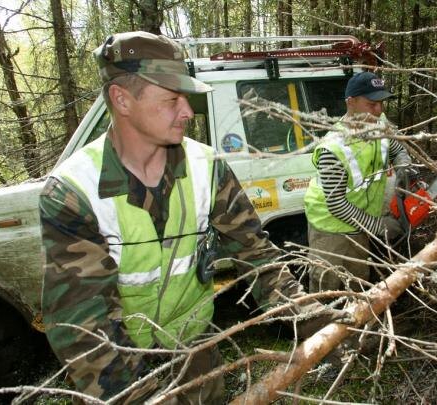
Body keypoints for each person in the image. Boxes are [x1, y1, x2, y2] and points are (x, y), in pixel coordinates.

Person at [40, 31, 339, 403]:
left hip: (196, 356)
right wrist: (136, 396)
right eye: (171, 99)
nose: (187, 110)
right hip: (119, 371)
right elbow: (81, 324)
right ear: (122, 100)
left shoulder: (207, 167)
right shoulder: (73, 191)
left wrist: (316, 319)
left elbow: (257, 256)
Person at [304, 71, 413, 293]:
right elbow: (336, 204)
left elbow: (397, 149)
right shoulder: (333, 147)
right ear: (351, 102)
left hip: (359, 223)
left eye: (381, 103)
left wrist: (404, 168)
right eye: (372, 104)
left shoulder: (378, 125)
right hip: (330, 228)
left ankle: (358, 324)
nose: (379, 110)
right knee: (329, 287)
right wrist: (378, 227)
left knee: (358, 283)